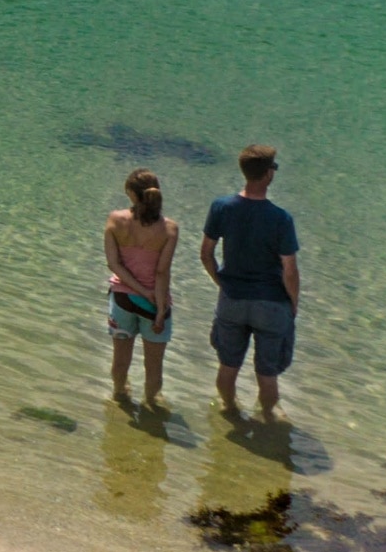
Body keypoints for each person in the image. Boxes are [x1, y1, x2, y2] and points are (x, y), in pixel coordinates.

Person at [200, 144, 301, 418]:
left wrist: (221, 283)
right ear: (269, 174)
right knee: (267, 374)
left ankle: (229, 410)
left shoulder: (222, 207)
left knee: (228, 366)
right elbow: (289, 270)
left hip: (232, 299)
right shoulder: (281, 218)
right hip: (270, 303)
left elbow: (206, 254)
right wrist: (293, 304)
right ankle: (266, 419)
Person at [104, 168, 179, 410]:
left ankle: (119, 395)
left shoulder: (115, 220)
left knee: (120, 359)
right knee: (154, 366)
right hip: (154, 304)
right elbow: (161, 272)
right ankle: (151, 404)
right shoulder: (169, 229)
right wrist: (157, 308)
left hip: (122, 301)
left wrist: (136, 289)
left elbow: (114, 264)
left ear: (131, 194)